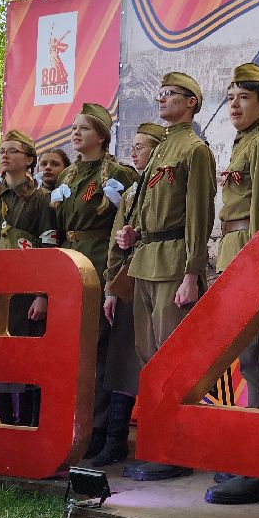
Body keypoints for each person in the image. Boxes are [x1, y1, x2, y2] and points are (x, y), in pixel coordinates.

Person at [106, 73, 216, 481]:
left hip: (173, 261)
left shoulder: (194, 149)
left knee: (172, 360)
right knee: (149, 358)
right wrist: (131, 231)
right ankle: (158, 444)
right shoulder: (161, 149)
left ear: (190, 103)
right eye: (161, 93)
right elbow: (146, 203)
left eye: (171, 94)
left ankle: (178, 450)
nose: (162, 99)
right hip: (146, 258)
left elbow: (199, 214)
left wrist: (193, 271)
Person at [204, 63, 259, 505]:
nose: (234, 104)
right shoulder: (245, 142)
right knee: (251, 359)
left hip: (251, 253)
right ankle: (254, 457)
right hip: (234, 249)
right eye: (231, 96)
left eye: (244, 97)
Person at [51, 104, 138, 456]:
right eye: (74, 128)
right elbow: (55, 228)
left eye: (84, 129)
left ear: (101, 136)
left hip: (101, 262)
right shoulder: (66, 177)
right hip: (69, 266)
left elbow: (130, 224)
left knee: (101, 348)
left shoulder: (119, 174)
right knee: (73, 350)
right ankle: (75, 424)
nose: (76, 134)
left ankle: (101, 430)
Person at [0, 129, 56, 426]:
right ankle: (4, 421)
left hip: (26, 289)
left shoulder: (41, 198)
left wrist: (43, 294)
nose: (5, 155)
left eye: (13, 151)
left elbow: (48, 245)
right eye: (2, 150)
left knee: (27, 355)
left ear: (29, 159)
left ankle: (30, 423)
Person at [95, 122, 167, 467]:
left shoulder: (162, 187)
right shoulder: (130, 193)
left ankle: (159, 442)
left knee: (155, 359)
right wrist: (111, 286)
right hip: (128, 280)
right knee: (122, 362)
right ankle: (114, 440)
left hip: (156, 275)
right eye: (133, 146)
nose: (134, 151)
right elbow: (114, 244)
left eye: (142, 146)